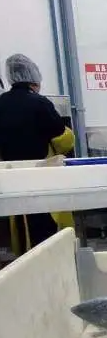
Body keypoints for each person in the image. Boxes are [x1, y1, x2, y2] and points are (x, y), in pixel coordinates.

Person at [0, 54, 76, 255]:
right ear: (34, 79)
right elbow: (63, 139)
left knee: (23, 233)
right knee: (48, 237)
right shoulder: (40, 103)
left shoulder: (2, 103)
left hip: (13, 182)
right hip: (43, 181)